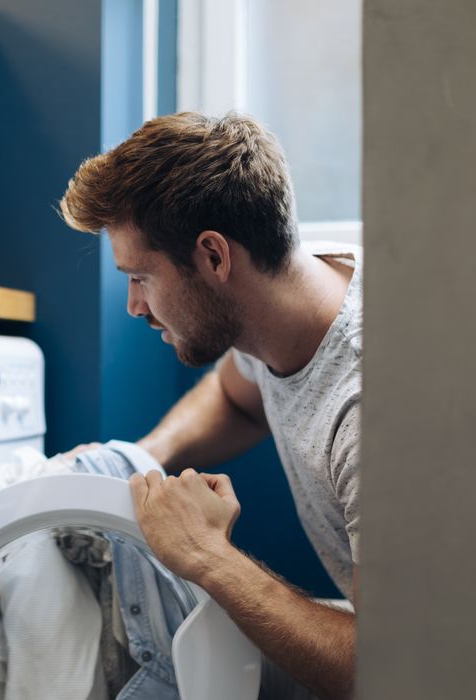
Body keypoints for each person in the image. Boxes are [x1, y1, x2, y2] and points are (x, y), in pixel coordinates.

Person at [58, 112, 361, 700]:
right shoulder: (291, 289)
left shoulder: (369, 408)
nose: (134, 306)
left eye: (141, 276)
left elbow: (406, 666)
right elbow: (236, 398)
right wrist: (140, 458)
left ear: (214, 257)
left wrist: (208, 557)